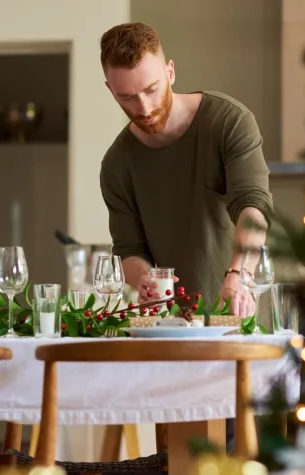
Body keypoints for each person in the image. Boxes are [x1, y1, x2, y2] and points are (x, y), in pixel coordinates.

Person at [98, 22, 273, 317]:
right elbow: (129, 249)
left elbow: (253, 207)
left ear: (170, 72)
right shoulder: (117, 164)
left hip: (248, 306)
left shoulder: (229, 122)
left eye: (151, 89)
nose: (144, 108)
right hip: (176, 324)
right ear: (110, 90)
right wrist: (144, 279)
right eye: (126, 97)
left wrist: (238, 275)